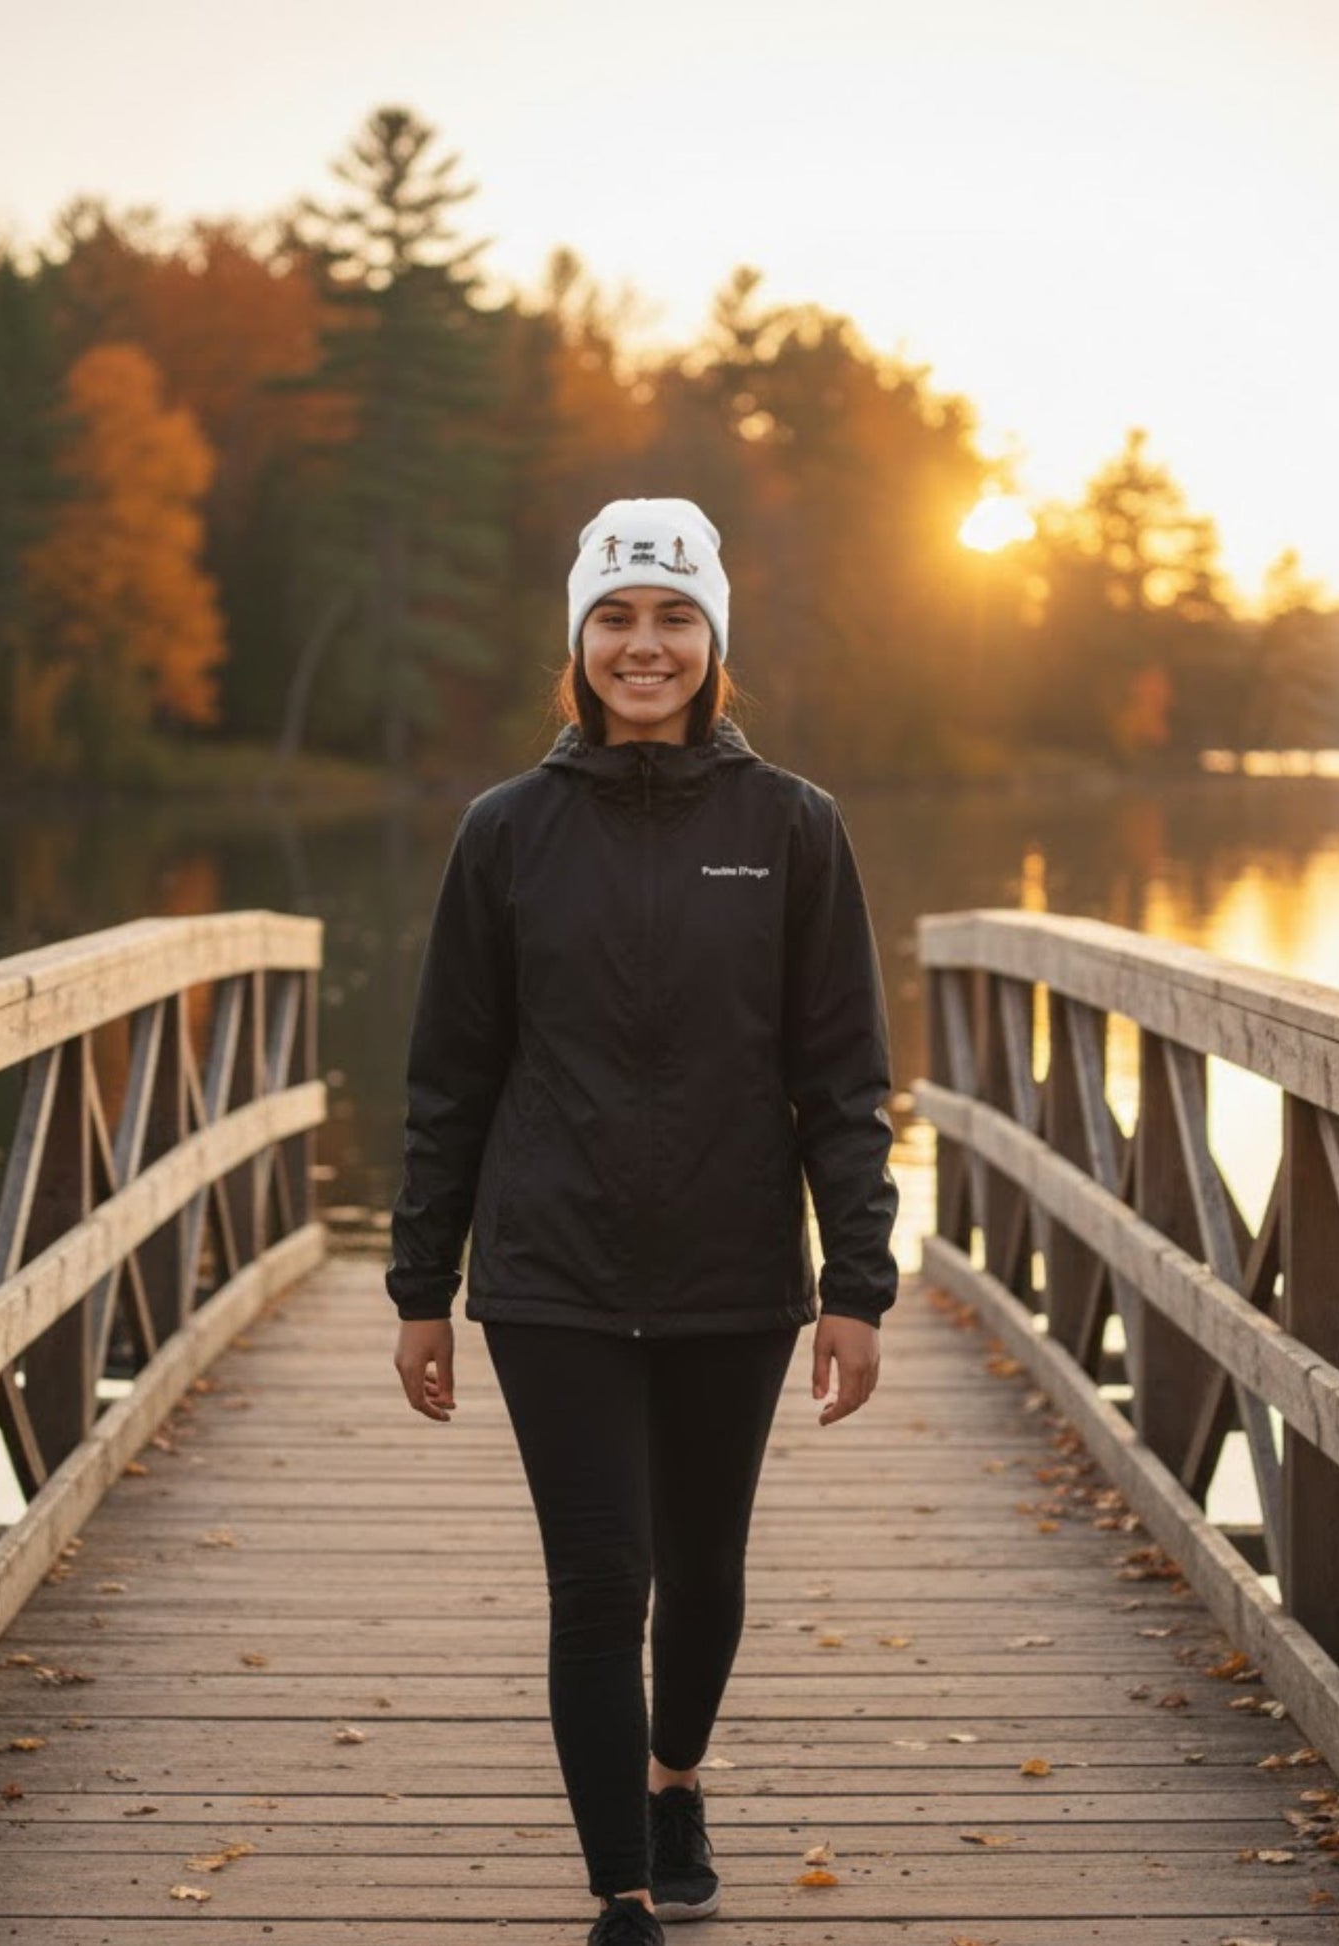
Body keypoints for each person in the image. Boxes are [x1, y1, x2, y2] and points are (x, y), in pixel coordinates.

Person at [386, 494, 900, 1946]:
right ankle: (621, 1887)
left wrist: (857, 1284)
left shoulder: (791, 826)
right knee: (600, 1579)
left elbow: (841, 1078)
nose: (644, 644)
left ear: (713, 638)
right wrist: (421, 1285)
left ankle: (675, 1781)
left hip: (734, 1270)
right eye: (614, 616)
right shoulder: (507, 832)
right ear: (578, 640)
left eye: (675, 616)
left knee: (704, 1572)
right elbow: (449, 1076)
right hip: (549, 1272)